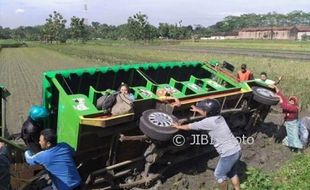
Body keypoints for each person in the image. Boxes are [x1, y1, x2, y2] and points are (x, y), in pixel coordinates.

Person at [172, 99, 241, 190]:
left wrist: (178, 126)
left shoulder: (207, 122)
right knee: (232, 173)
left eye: (202, 110)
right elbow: (207, 113)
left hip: (228, 153)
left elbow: (189, 126)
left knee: (219, 174)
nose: (200, 111)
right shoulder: (220, 118)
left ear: (207, 112)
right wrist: (197, 109)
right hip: (237, 149)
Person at [273, 85, 303, 151]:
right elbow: (283, 97)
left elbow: (284, 106)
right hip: (288, 122)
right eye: (290, 100)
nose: (291, 102)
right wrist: (276, 88)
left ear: (295, 103)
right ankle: (292, 146)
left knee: (294, 135)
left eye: (293, 101)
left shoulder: (294, 108)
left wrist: (280, 99)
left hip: (293, 123)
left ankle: (299, 149)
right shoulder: (289, 104)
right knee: (290, 134)